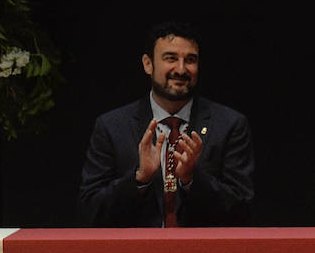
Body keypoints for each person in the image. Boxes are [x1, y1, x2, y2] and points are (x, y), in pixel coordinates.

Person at [78, 21, 254, 227]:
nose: (181, 69)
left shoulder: (229, 125)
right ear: (148, 64)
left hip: (201, 246)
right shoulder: (112, 126)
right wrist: (139, 178)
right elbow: (90, 211)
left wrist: (191, 179)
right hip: (136, 246)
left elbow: (242, 212)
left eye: (190, 60)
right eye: (171, 58)